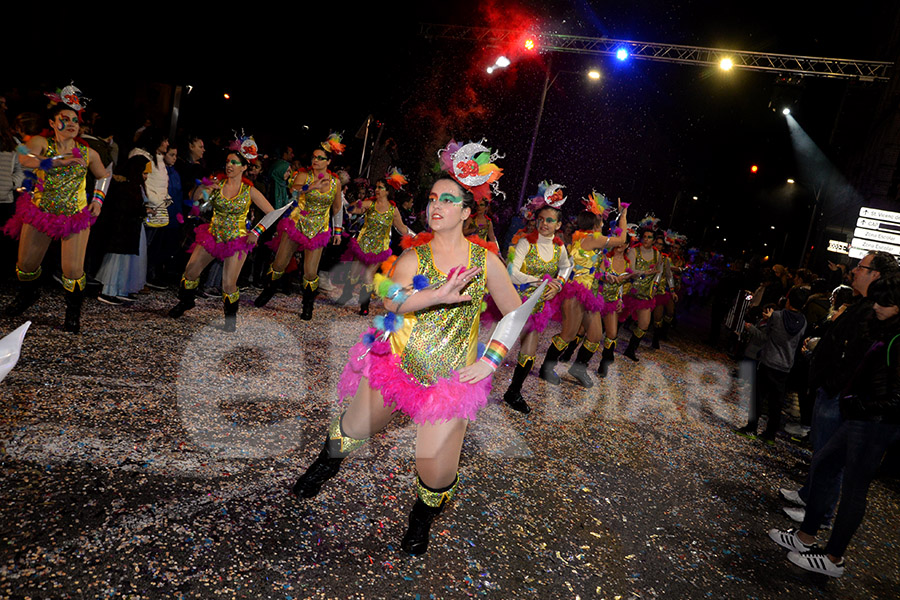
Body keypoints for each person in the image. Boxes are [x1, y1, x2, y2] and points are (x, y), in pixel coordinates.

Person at [291, 142, 521, 556]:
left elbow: (514, 316)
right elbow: (392, 300)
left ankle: (421, 516)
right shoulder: (414, 256)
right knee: (353, 431)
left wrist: (490, 362)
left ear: (467, 212)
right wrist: (437, 294)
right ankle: (327, 463)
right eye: (433, 198)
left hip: (449, 381)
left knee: (433, 467)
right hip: (399, 366)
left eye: (448, 200)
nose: (437, 205)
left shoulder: (486, 263)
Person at [768, 273, 900, 577]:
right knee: (825, 464)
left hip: (875, 423)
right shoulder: (884, 327)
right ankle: (806, 537)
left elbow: (896, 395)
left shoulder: (896, 337)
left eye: (885, 301)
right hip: (862, 416)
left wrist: (860, 404)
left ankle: (833, 558)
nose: (877, 305)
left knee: (854, 488)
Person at [3, 85, 112, 332]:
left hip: (74, 215)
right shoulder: (42, 142)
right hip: (41, 213)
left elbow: (104, 175)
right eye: (65, 119)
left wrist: (97, 200)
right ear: (52, 123)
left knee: (72, 269)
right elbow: (24, 159)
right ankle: (28, 295)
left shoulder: (88, 153)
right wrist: (57, 161)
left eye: (75, 120)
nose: (72, 124)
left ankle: (73, 313)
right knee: (26, 265)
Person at [168, 140, 274, 331]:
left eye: (234, 162)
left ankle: (230, 319)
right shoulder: (218, 183)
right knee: (190, 270)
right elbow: (194, 199)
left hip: (237, 239)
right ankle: (186, 302)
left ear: (244, 167)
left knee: (228, 284)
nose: (229, 165)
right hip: (213, 234)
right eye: (227, 161)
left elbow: (272, 212)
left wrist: (256, 232)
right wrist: (205, 188)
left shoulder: (249, 191)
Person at [539, 193, 627, 387]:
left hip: (591, 295)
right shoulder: (591, 238)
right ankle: (546, 368)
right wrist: (624, 215)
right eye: (601, 220)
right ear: (595, 223)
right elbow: (621, 240)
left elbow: (587, 267)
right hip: (577, 293)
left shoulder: (587, 240)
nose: (603, 223)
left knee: (595, 336)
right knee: (569, 334)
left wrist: (605, 276)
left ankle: (578, 368)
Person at [254, 134, 344, 320]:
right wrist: (311, 186)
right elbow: (293, 191)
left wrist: (337, 230)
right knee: (279, 263)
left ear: (328, 161)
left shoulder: (335, 183)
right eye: (313, 157)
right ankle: (269, 290)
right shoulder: (304, 175)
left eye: (320, 158)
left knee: (310, 271)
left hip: (319, 230)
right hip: (298, 224)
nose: (315, 160)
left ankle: (307, 304)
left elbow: (337, 208)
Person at [501, 182, 571, 413]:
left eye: (550, 220)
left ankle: (514, 392)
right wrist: (540, 281)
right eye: (541, 219)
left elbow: (566, 267)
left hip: (538, 306)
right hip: (515, 303)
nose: (544, 224)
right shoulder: (525, 242)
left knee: (529, 348)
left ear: (558, 225)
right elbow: (513, 272)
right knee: (499, 343)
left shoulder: (560, 247)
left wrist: (559, 284)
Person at [734, 286, 810, 444]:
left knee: (759, 396)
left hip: (769, 360)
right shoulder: (803, 322)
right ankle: (770, 433)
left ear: (788, 300)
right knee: (777, 401)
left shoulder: (777, 316)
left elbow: (767, 335)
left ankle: (751, 427)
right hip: (786, 365)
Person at [337, 170, 411, 315]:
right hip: (363, 244)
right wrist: (355, 204)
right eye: (376, 187)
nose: (376, 190)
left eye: (380, 187)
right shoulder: (369, 204)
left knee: (368, 276)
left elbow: (401, 228)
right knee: (354, 273)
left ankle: (364, 305)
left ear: (387, 191)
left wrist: (413, 237)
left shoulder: (392, 210)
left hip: (379, 248)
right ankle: (346, 294)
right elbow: (350, 209)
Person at [94, 155, 152, 305]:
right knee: (117, 261)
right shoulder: (124, 186)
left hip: (131, 230)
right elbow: (125, 208)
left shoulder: (134, 186)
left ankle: (121, 289)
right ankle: (108, 290)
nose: (145, 177)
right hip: (121, 232)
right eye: (144, 173)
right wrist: (144, 211)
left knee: (127, 262)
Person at [622, 218, 663, 361]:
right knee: (617, 319)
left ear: (653, 240)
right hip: (629, 291)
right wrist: (645, 273)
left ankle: (630, 350)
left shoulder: (658, 255)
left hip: (645, 295)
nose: (646, 239)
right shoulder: (634, 251)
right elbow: (630, 270)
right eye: (644, 237)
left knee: (644, 325)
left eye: (649, 237)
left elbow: (659, 273)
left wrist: (655, 288)